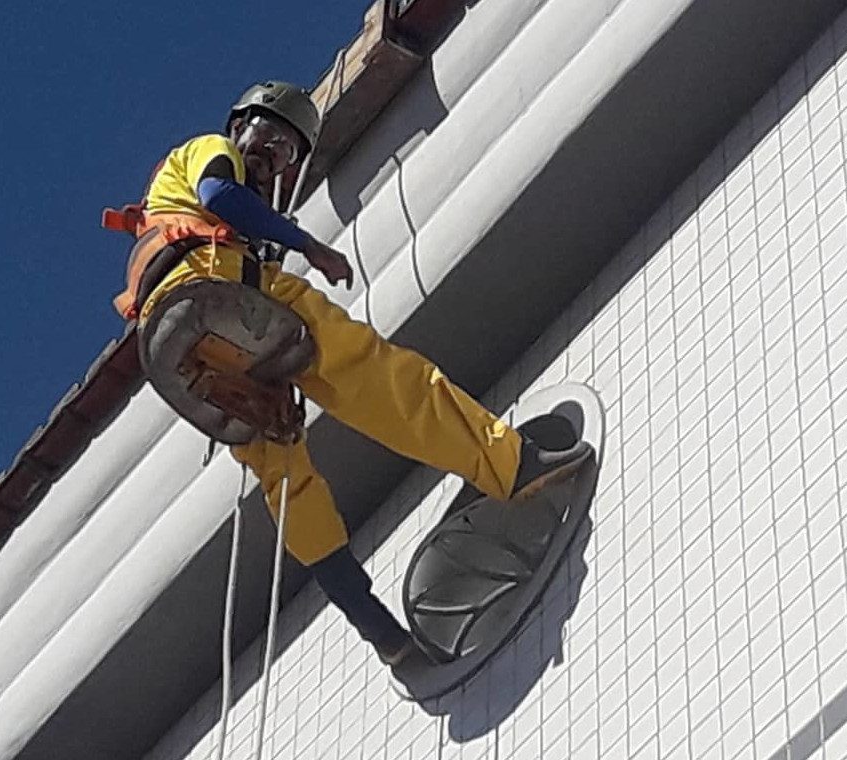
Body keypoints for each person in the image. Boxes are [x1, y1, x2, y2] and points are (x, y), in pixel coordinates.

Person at [104, 81, 590, 667]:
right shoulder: (211, 151)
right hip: (223, 290)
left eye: (285, 150)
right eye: (266, 136)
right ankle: (511, 464)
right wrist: (311, 246)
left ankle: (380, 633)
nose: (271, 154)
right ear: (239, 127)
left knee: (287, 477)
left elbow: (220, 211)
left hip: (189, 350)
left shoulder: (186, 211)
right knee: (376, 373)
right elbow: (220, 192)